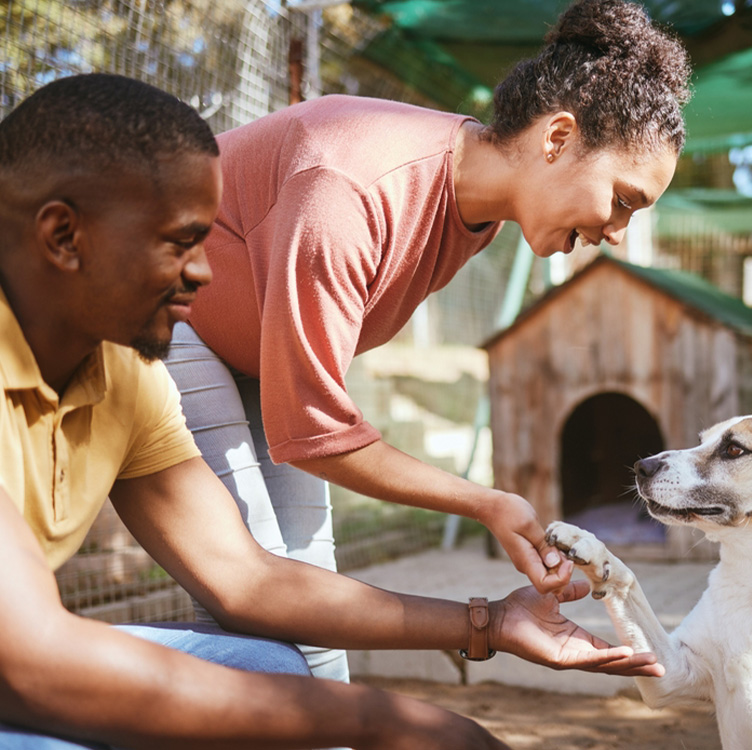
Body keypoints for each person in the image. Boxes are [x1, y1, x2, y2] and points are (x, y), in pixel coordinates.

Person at [0, 72, 663, 750]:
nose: (203, 273)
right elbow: (30, 664)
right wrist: (384, 723)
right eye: (180, 243)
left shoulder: (122, 375)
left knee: (274, 660)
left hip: (245, 367)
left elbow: (247, 580)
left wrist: (488, 624)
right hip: (22, 665)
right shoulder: (347, 186)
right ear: (62, 235)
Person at [165, 0, 692, 684]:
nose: (618, 231)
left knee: (308, 590)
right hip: (171, 326)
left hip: (255, 364)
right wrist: (485, 501)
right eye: (622, 199)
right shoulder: (349, 188)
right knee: (261, 598)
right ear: (557, 139)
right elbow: (310, 428)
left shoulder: (480, 215)